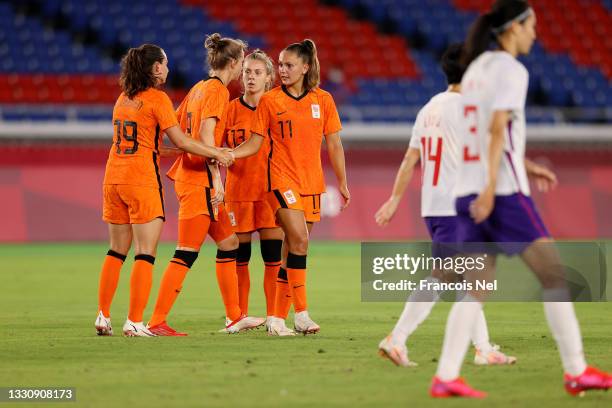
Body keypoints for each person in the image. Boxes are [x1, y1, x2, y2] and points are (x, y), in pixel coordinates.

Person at [431, 0, 612, 398]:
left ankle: (445, 375)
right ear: (514, 28)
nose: (536, 33)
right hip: (503, 195)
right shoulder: (511, 70)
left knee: (476, 286)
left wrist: (524, 166)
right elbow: (497, 130)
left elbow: (483, 135)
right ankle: (576, 370)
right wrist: (495, 188)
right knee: (555, 276)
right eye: (532, 25)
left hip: (466, 190)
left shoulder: (476, 70)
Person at [375, 43, 515, 367]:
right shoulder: (468, 108)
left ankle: (483, 348)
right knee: (450, 275)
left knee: (471, 277)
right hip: (457, 204)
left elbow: (411, 158)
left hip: (434, 204)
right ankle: (397, 338)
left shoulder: (429, 108)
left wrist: (395, 198)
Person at [94, 44, 232, 337]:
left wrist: (181, 151)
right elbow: (182, 141)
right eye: (165, 64)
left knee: (116, 251)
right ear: (156, 68)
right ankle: (134, 321)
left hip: (112, 179)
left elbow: (152, 143)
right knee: (145, 253)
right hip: (141, 181)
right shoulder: (157, 99)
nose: (168, 69)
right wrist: (215, 152)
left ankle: (103, 316)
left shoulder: (123, 99)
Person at [146, 34, 265, 336]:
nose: (243, 72)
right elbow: (206, 135)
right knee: (186, 252)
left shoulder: (198, 88)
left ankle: (234, 317)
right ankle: (156, 321)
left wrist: (180, 151)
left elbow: (172, 132)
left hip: (190, 177)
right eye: (242, 65)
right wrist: (216, 180)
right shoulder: (217, 92)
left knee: (229, 244)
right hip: (199, 182)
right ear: (236, 63)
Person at [231, 39, 350, 336]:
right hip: (280, 181)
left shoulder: (323, 101)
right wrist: (228, 153)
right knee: (300, 240)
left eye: (288, 65)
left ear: (305, 67)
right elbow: (256, 142)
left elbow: (334, 144)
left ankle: (275, 318)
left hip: (312, 183)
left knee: (291, 251)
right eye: (281, 65)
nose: (282, 70)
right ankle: (302, 314)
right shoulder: (270, 100)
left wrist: (343, 181)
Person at [223, 50, 284, 324]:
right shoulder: (230, 109)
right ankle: (240, 316)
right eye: (247, 71)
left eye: (258, 72)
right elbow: (215, 147)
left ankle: (273, 316)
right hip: (238, 193)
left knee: (273, 258)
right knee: (240, 258)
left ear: (269, 78)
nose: (251, 77)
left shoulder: (277, 108)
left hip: (270, 193)